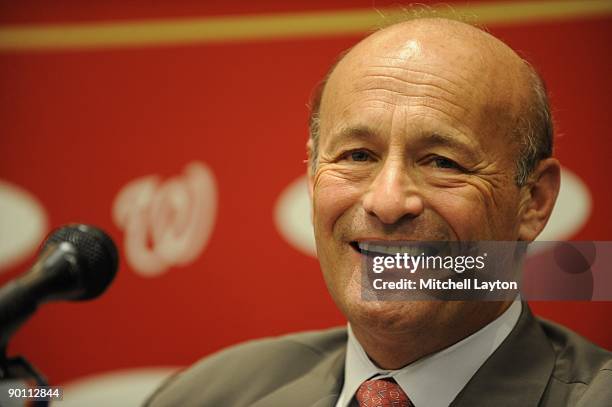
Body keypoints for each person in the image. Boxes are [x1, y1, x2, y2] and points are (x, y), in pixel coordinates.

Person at [144, 17, 612, 407]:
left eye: (442, 162)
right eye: (357, 156)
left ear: (534, 201)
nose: (387, 203)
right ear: (312, 177)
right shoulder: (204, 395)